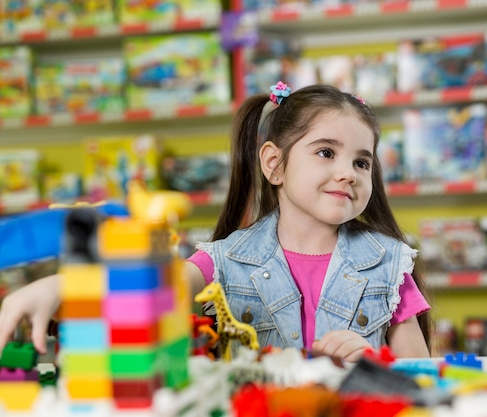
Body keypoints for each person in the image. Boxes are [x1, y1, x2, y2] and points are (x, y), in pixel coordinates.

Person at [0, 82, 431, 362]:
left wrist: (378, 366)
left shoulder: (388, 265)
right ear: (274, 164)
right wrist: (65, 287)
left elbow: (423, 378)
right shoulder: (223, 261)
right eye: (325, 152)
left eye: (361, 161)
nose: (348, 173)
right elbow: (156, 287)